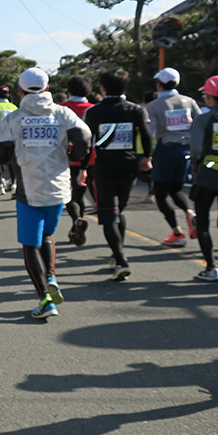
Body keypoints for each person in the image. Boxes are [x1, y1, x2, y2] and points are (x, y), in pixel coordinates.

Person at [0, 68, 91, 319]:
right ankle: (52, 276)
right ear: (47, 88)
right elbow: (85, 138)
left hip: (29, 189)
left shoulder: (15, 118)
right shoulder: (62, 113)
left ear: (21, 90)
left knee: (29, 245)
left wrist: (12, 158)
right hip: (58, 188)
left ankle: (45, 299)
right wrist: (73, 157)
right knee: (47, 235)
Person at [81, 68, 153, 281]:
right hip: (129, 166)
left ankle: (120, 258)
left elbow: (88, 142)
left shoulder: (93, 112)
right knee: (118, 210)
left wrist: (83, 168)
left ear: (102, 88)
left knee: (109, 214)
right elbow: (147, 134)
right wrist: (147, 157)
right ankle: (117, 254)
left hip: (104, 166)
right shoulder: (135, 110)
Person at [147, 67, 202, 246]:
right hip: (186, 150)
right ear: (177, 83)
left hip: (166, 149)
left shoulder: (154, 105)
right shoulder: (189, 101)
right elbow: (200, 124)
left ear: (160, 85)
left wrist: (148, 154)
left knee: (161, 193)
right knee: (176, 189)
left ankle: (177, 232)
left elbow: (151, 131)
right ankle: (189, 212)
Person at [189, 75, 218, 282]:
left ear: (208, 96)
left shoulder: (203, 119)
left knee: (203, 224)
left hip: (207, 175)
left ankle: (212, 268)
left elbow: (196, 149)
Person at [59, 75, 96, 245]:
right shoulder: (94, 108)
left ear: (69, 91)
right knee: (80, 194)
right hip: (90, 159)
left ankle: (77, 220)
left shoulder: (60, 108)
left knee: (69, 196)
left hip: (66, 157)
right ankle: (77, 228)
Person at [0, 84, 18, 197]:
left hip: (0, 138)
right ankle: (14, 186)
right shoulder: (14, 107)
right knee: (12, 161)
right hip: (13, 137)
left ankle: (0, 185)